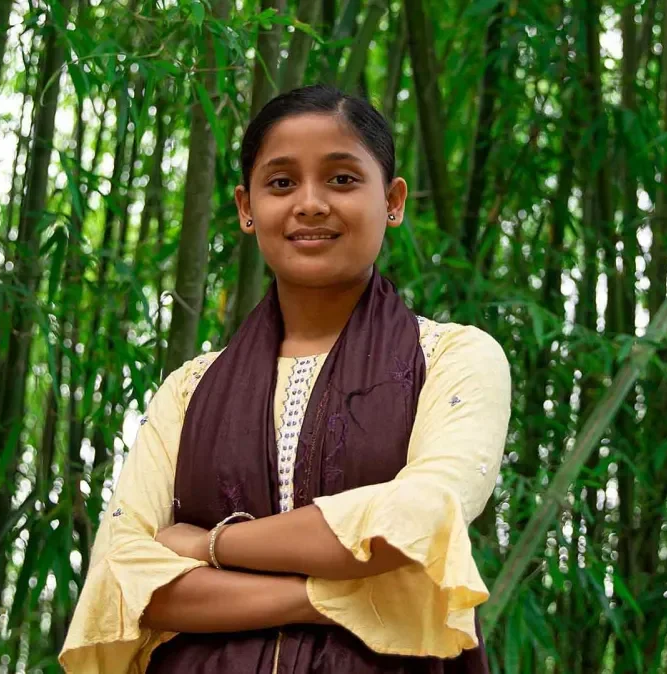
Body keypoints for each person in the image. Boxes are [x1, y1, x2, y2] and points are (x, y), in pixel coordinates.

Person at [59, 84, 511, 673]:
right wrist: (344, 596)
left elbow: (420, 520)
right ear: (246, 208)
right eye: (281, 183)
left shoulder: (452, 358)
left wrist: (209, 545)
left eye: (342, 179)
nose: (311, 203)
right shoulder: (189, 391)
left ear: (393, 200)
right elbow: (123, 582)